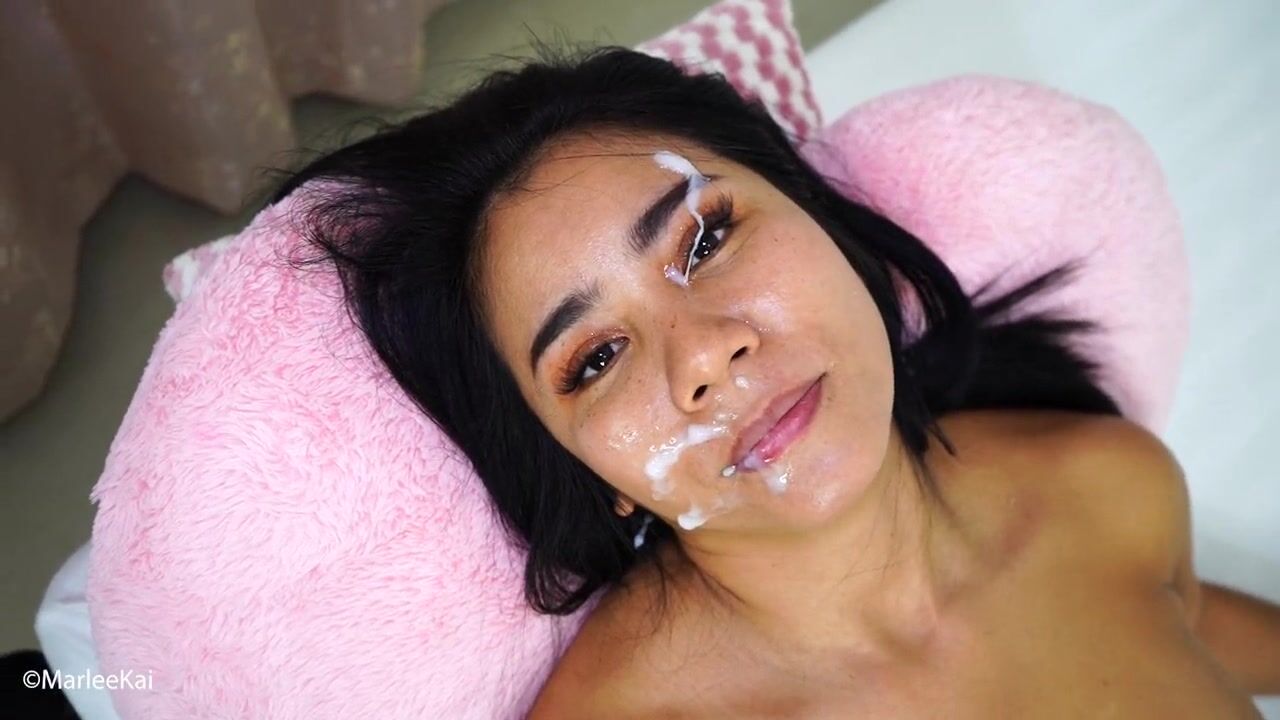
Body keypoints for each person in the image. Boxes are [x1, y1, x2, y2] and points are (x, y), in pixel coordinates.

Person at [273, 46, 1280, 718]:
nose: (704, 356)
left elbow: (1180, 620)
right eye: (595, 360)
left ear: (826, 224)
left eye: (705, 239)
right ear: (585, 471)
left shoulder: (1107, 483)